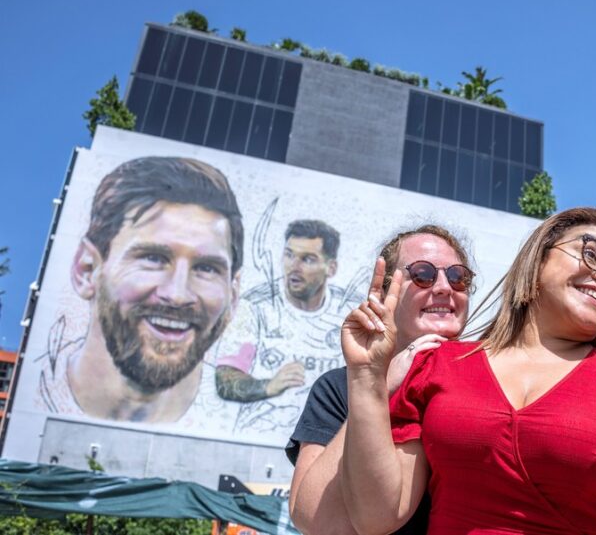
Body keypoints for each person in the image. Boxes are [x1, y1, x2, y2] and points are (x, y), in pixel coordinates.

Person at [338, 207, 596, 535]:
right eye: (590, 253)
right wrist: (366, 376)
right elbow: (376, 517)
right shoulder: (437, 363)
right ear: (537, 262)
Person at [287, 225, 475, 535]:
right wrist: (375, 385)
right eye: (423, 274)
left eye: (458, 276)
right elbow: (313, 519)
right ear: (387, 293)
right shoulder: (338, 387)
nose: (444, 287)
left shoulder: (486, 382)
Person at [39, 156, 243, 423]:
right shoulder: (32, 395)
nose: (177, 295)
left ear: (233, 295)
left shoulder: (251, 420)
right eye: (153, 258)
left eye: (206, 268)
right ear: (86, 270)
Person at [214, 219, 361, 435]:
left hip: (326, 442)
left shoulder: (351, 311)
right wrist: (268, 386)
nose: (294, 266)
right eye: (289, 255)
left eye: (307, 259)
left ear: (331, 268)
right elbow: (224, 379)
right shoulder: (255, 306)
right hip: (259, 435)